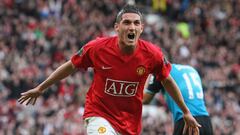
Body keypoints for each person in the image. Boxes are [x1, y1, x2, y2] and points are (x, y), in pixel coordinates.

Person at [18, 5, 200, 135]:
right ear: (117, 27)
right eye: (127, 23)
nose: (132, 27)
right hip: (99, 113)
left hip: (130, 123)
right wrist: (41, 88)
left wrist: (185, 111)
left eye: (136, 23)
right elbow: (70, 65)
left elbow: (166, 79)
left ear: (142, 28)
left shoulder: (152, 54)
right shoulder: (97, 48)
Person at [143, 64, 213, 135]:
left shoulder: (162, 69)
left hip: (186, 121)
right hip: (206, 122)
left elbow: (145, 99)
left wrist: (147, 76)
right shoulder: (191, 69)